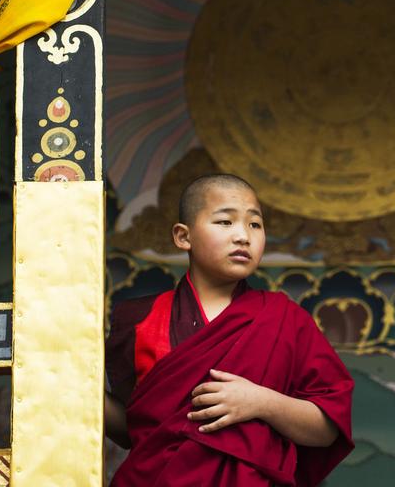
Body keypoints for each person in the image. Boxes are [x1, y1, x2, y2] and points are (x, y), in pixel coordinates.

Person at [104, 174, 354, 486]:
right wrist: (78, 391)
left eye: (255, 224)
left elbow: (327, 430)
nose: (243, 237)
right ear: (183, 236)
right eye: (225, 222)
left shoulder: (285, 319)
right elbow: (135, 428)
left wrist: (262, 402)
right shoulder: (140, 318)